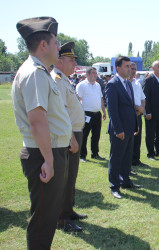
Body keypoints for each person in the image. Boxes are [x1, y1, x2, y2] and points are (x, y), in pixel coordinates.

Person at [12, 16, 72, 249]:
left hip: (48, 152)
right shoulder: (35, 73)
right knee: (43, 220)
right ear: (43, 45)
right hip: (43, 154)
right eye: (55, 42)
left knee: (47, 217)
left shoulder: (40, 71)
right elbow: (37, 121)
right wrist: (48, 160)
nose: (59, 47)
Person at [51, 42, 87, 232]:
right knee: (65, 177)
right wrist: (72, 138)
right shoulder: (57, 79)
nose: (75, 64)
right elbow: (62, 112)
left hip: (75, 132)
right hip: (69, 134)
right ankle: (62, 218)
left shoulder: (64, 79)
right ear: (60, 61)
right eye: (71, 60)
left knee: (71, 175)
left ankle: (68, 209)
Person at [106, 56, 141, 199]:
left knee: (127, 157)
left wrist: (135, 125)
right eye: (127, 66)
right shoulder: (112, 84)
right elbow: (112, 110)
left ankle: (125, 181)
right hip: (119, 130)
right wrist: (118, 129)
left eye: (130, 66)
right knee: (116, 158)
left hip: (130, 128)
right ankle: (114, 186)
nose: (130, 69)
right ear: (118, 68)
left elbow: (132, 107)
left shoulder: (128, 83)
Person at [76, 67, 107, 162]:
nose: (95, 75)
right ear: (87, 74)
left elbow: (101, 99)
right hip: (86, 114)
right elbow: (77, 99)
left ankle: (95, 153)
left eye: (96, 73)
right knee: (84, 135)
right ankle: (82, 155)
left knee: (96, 135)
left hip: (97, 113)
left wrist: (104, 111)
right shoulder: (81, 85)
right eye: (93, 73)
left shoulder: (97, 85)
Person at [143, 60, 159, 160]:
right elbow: (145, 97)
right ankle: (150, 153)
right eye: (158, 67)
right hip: (151, 112)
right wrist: (147, 112)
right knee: (150, 133)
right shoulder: (148, 79)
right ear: (153, 68)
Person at [129, 62, 147, 168]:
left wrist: (142, 109)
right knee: (129, 139)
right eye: (131, 68)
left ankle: (136, 160)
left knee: (137, 138)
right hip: (129, 115)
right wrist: (137, 107)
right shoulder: (125, 83)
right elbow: (127, 100)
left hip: (138, 114)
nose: (133, 70)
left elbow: (143, 98)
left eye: (134, 69)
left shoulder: (137, 83)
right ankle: (128, 161)